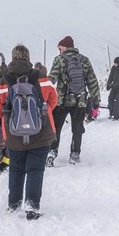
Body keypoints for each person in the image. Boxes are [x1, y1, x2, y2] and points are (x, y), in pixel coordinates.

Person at [0, 44, 57, 220]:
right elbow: (54, 100)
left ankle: (14, 204)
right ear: (28, 57)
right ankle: (32, 205)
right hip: (41, 133)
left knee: (16, 168)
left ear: (12, 58)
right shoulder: (43, 78)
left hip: (14, 135)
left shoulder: (3, 82)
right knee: (36, 169)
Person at [48, 36, 100, 165]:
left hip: (62, 102)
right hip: (80, 101)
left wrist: (42, 95)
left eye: (59, 48)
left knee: (56, 127)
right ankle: (75, 154)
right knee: (77, 128)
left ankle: (52, 152)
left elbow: (51, 80)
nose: (59, 51)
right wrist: (96, 99)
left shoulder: (59, 60)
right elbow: (92, 81)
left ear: (65, 47)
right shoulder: (84, 60)